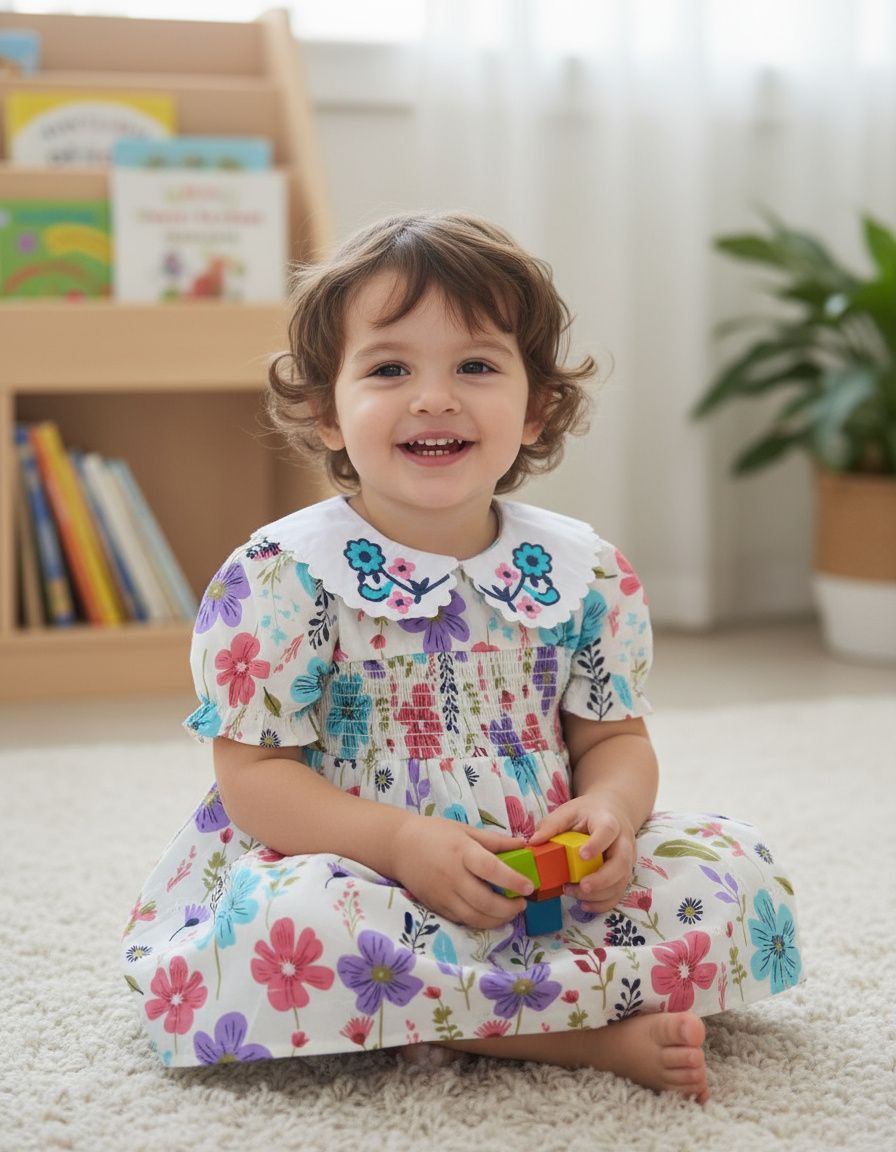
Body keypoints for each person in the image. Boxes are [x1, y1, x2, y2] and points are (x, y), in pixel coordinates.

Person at [121, 210, 802, 1101]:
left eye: (476, 366)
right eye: (390, 368)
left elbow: (615, 739)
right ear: (328, 411)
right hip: (361, 869)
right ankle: (580, 1038)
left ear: (537, 407)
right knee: (291, 927)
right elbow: (256, 777)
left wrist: (609, 815)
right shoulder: (284, 576)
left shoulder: (582, 571)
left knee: (733, 864)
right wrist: (402, 844)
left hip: (544, 881)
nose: (434, 397)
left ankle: (503, 1004)